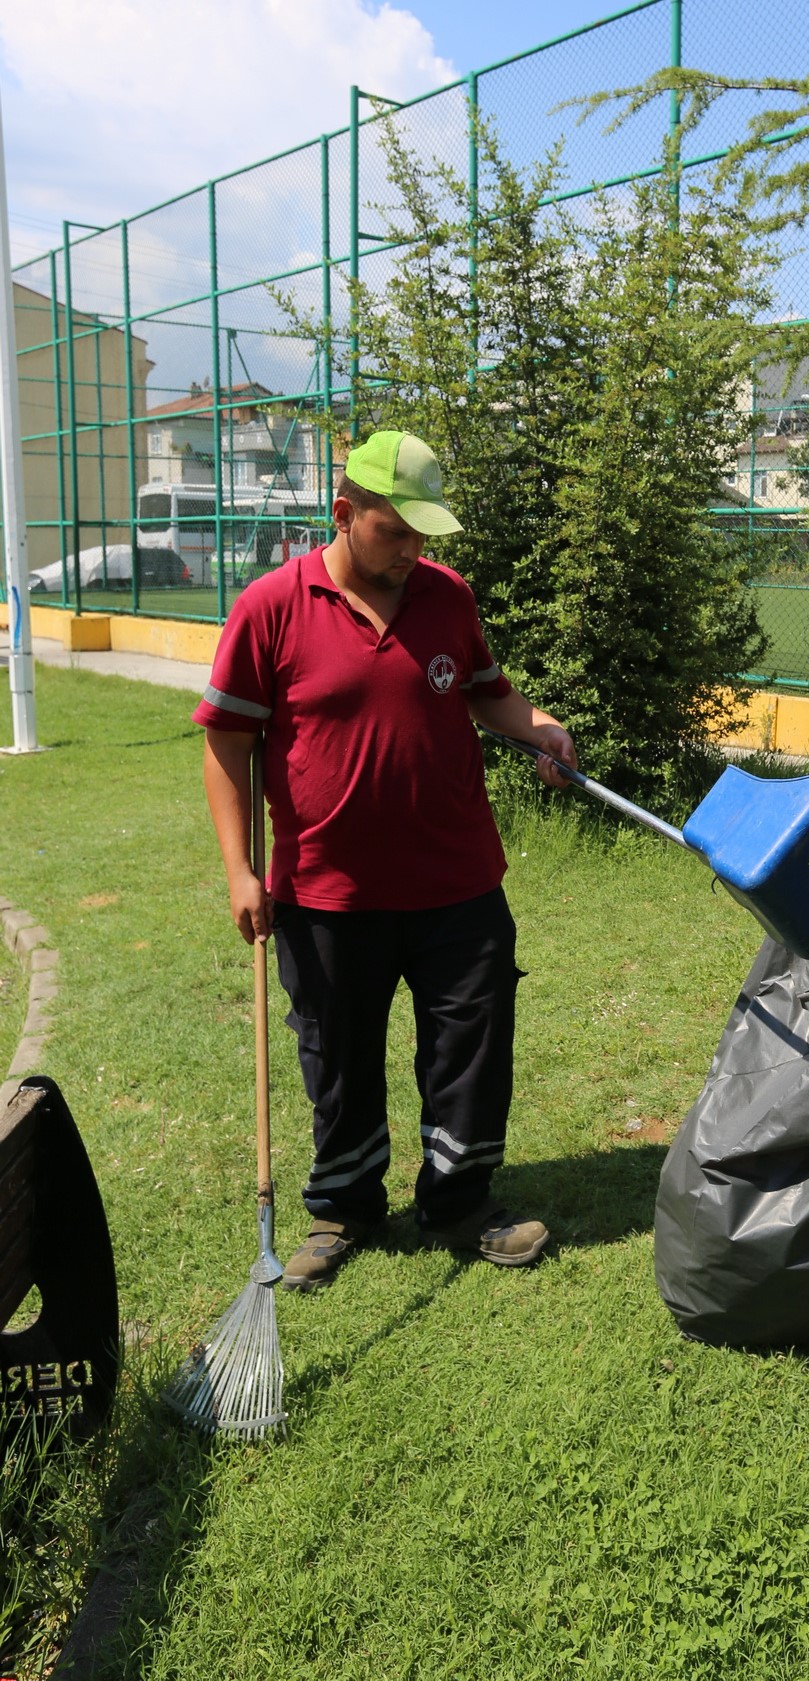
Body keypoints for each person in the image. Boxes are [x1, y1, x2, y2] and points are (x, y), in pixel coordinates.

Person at [193, 429, 576, 1291]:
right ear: (344, 512)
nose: (411, 553)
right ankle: (344, 1207)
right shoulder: (271, 606)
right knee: (338, 1057)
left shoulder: (447, 597)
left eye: (422, 537)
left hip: (459, 881)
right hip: (327, 891)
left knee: (472, 1049)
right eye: (394, 533)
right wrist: (237, 869)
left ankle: (459, 1200)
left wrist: (539, 726)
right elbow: (227, 742)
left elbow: (488, 693)